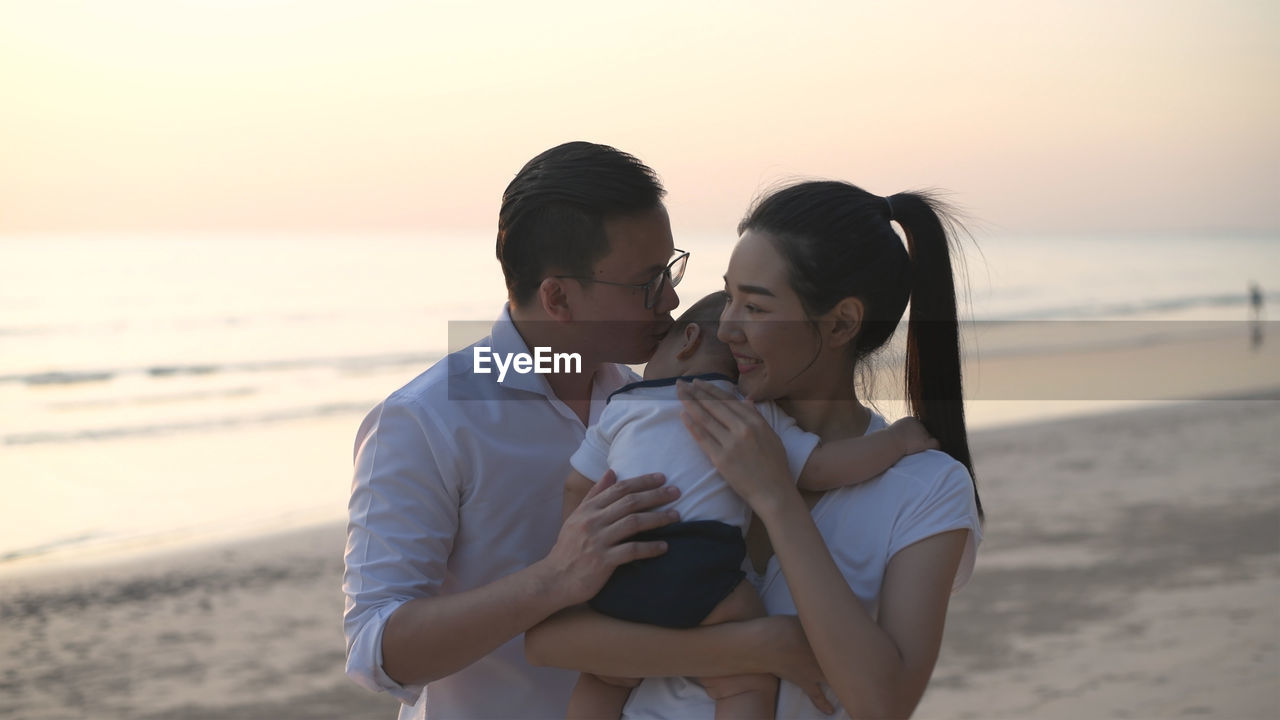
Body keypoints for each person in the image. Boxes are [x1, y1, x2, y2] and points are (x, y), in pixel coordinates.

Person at [343, 142, 827, 720]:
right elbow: (377, 654)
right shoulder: (425, 421)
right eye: (649, 283)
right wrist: (553, 579)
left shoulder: (654, 404)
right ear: (559, 297)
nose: (673, 299)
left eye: (672, 270)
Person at [526, 180, 984, 720]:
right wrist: (758, 646)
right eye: (729, 296)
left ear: (840, 322)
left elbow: (882, 702)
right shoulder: (676, 431)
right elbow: (552, 640)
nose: (727, 327)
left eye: (756, 308)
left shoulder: (926, 489)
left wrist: (775, 497)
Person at [563, 291, 939, 719]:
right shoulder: (745, 413)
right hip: (698, 568)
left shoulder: (622, 406)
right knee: (746, 680)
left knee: (598, 678)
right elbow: (820, 469)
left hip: (620, 565)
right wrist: (897, 441)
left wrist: (577, 546)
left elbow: (577, 485)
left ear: (686, 340)